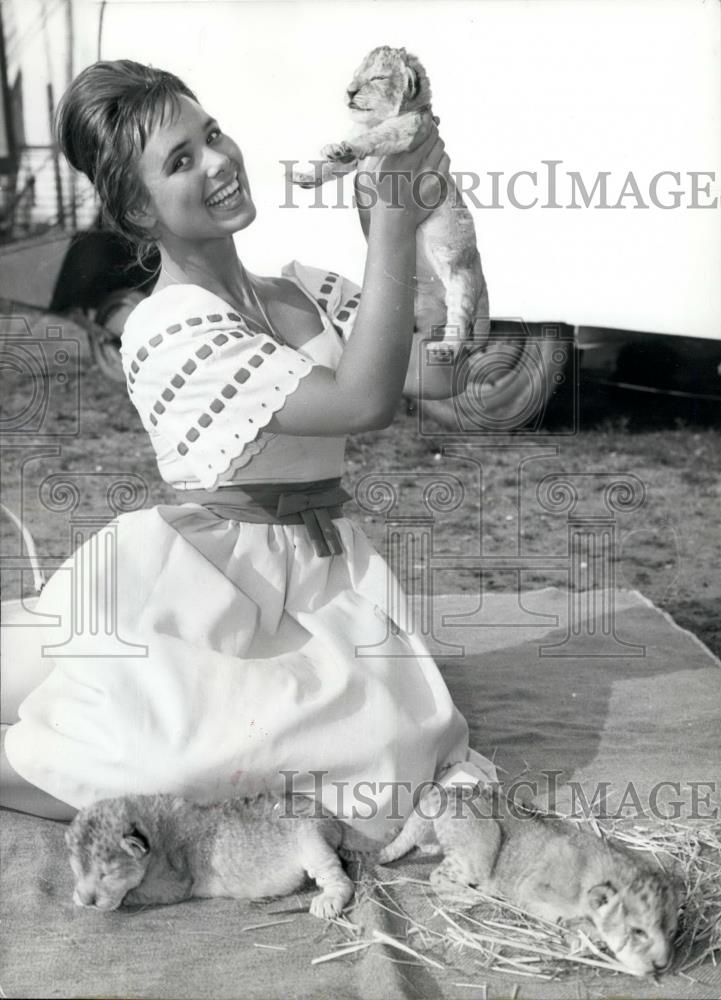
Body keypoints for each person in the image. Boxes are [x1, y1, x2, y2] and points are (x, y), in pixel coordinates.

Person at [1, 60, 495, 838]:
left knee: (389, 757)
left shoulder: (303, 290)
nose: (219, 161)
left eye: (212, 134)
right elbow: (362, 403)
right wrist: (391, 234)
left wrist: (435, 232)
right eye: (181, 160)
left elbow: (442, 368)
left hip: (322, 578)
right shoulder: (166, 329)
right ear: (137, 208)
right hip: (200, 581)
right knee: (172, 770)